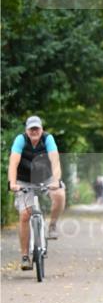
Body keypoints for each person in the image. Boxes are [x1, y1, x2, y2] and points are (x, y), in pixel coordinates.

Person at [7, 115, 67, 270]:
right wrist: (12, 183)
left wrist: (56, 180)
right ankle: (25, 256)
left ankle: (52, 226)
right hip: (23, 179)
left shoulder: (48, 139)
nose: (34, 131)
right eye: (31, 129)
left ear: (42, 129)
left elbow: (55, 162)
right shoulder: (20, 140)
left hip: (44, 177)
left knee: (60, 194)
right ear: (26, 130)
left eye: (37, 128)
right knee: (25, 215)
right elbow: (13, 163)